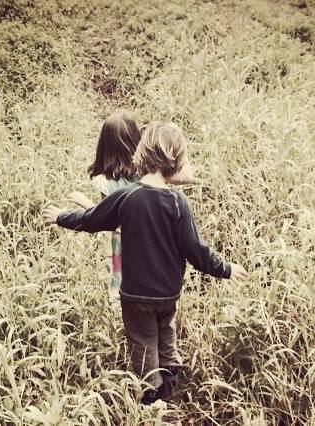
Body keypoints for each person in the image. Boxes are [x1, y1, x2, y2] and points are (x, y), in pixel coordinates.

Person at [43, 123, 247, 404]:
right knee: (166, 329)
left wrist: (60, 217)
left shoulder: (127, 197)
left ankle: (151, 391)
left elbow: (90, 220)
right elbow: (196, 250)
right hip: (168, 293)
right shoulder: (178, 202)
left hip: (136, 294)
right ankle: (172, 372)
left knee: (142, 341)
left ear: (142, 152)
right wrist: (225, 268)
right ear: (177, 162)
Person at [68, 112, 194, 294]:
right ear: (138, 139)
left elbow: (109, 218)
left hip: (128, 246)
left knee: (129, 291)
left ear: (103, 145)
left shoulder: (107, 182)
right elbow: (188, 176)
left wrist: (86, 203)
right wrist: (175, 132)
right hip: (159, 237)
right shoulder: (150, 171)